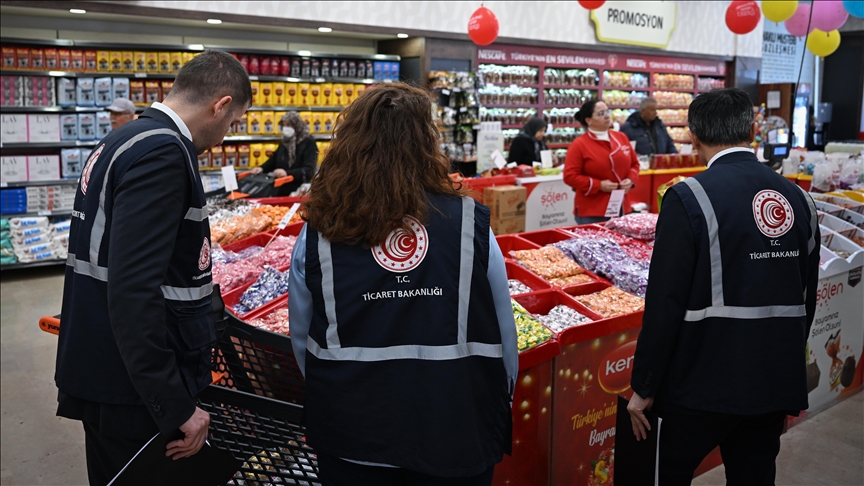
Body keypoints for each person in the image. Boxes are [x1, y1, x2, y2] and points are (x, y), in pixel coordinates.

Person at [289, 82, 518, 486]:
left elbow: (300, 337)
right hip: (455, 426)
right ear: (426, 142)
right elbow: (504, 332)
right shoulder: (468, 222)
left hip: (352, 433)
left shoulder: (319, 231)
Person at [55, 50, 251, 485]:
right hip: (134, 390)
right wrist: (175, 403)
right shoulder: (163, 153)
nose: (224, 136)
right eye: (232, 122)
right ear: (220, 105)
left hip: (107, 369)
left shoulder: (122, 140)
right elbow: (132, 290)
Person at [626, 88, 820, 485]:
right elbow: (806, 296)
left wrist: (643, 386)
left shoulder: (687, 197)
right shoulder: (800, 200)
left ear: (693, 137)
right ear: (751, 129)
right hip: (772, 377)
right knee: (755, 474)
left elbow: (664, 302)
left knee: (668, 473)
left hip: (702, 379)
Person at [563, 100, 640, 224]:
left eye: (607, 111)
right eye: (601, 113)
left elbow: (635, 164)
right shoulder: (579, 144)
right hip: (592, 210)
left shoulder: (622, 138)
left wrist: (630, 180)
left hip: (622, 206)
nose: (607, 116)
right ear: (588, 120)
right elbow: (569, 176)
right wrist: (599, 185)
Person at [250, 111, 318, 195]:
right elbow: (275, 158)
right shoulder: (285, 140)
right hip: (280, 187)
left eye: (288, 125)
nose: (285, 128)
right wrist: (262, 168)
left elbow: (309, 169)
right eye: (284, 125)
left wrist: (287, 173)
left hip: (298, 190)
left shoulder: (308, 142)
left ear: (297, 125)